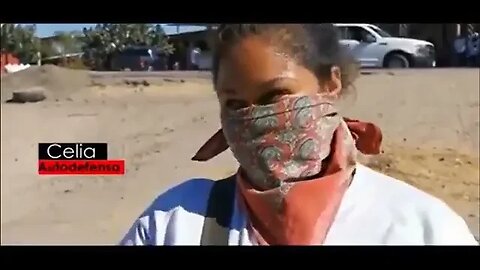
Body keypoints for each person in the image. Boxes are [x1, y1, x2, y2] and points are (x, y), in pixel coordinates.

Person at [120, 24, 478, 246]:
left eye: (274, 97)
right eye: (235, 104)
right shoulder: (175, 222)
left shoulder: (421, 227)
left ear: (330, 83)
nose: (254, 119)